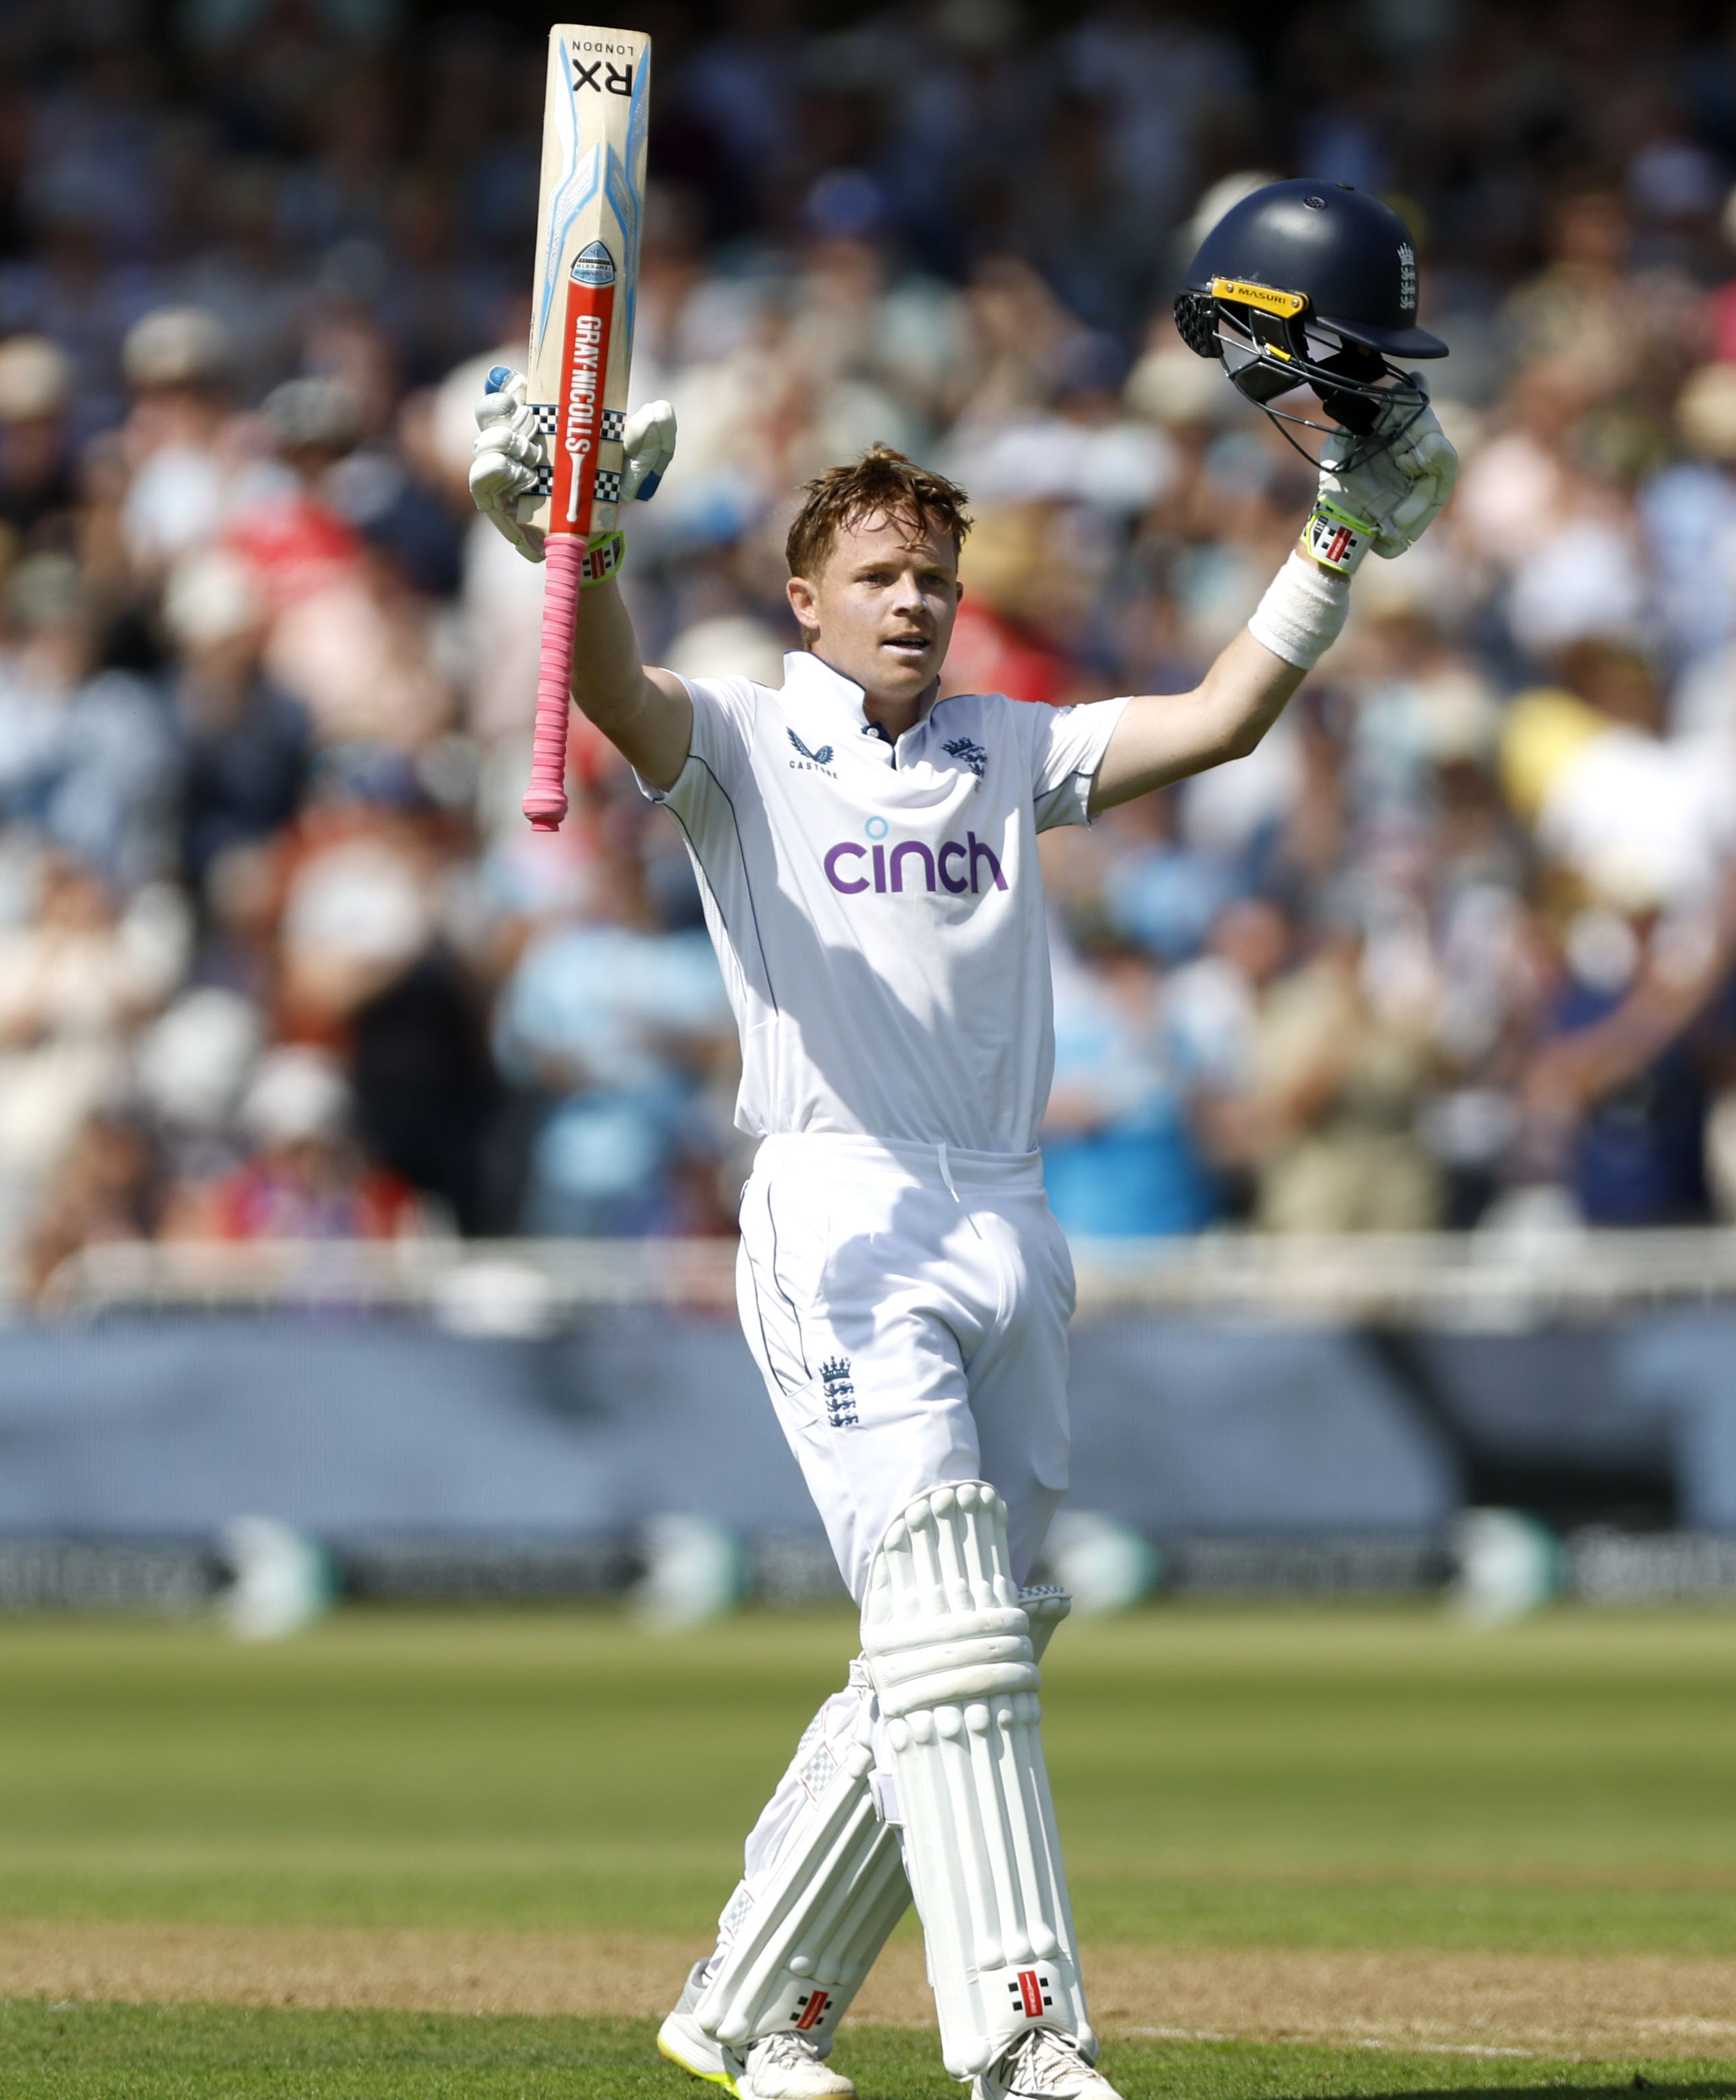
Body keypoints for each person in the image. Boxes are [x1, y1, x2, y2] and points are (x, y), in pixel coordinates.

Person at [471, 182, 1455, 2100]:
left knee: (972, 1637)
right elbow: (607, 689)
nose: (913, 601)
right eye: (878, 576)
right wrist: (564, 541)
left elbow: (1232, 718)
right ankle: (1026, 2046)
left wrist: (1340, 533)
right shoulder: (748, 749)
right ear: (807, 600)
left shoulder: (1012, 749)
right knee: (944, 1616)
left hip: (1009, 1218)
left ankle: (746, 2012)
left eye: (934, 574)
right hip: (837, 1211)